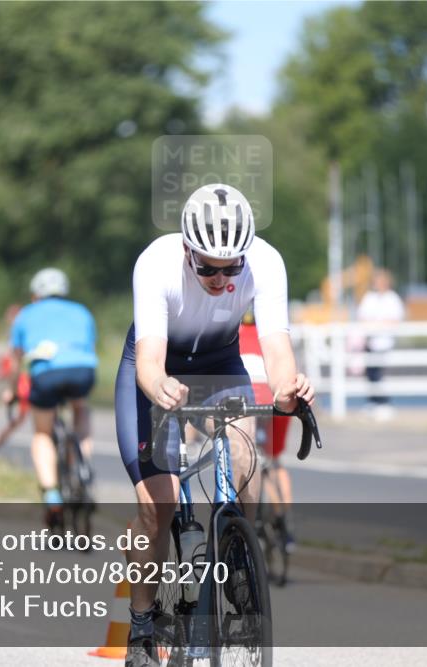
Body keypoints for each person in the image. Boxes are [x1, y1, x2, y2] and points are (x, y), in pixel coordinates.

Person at [116, 183, 314, 667]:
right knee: (156, 507)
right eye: (206, 266)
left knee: (247, 456)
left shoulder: (266, 262)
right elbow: (149, 361)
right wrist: (159, 386)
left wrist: (289, 389)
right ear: (187, 250)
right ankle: (142, 621)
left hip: (221, 363)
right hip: (156, 364)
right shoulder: (156, 262)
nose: (220, 278)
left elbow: (276, 348)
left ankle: (237, 555)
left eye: (231, 268)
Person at [3, 268, 98, 525]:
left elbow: (15, 360)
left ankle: (52, 494)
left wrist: (11, 391)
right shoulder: (81, 311)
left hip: (46, 374)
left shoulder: (25, 314)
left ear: (36, 295)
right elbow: (88, 347)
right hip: (82, 370)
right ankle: (83, 466)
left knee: (42, 433)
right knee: (80, 410)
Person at [238, 307, 295, 550]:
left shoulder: (232, 335)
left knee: (243, 459)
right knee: (275, 462)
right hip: (276, 399)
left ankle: (243, 526)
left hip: (246, 402)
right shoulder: (273, 337)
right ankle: (284, 526)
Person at [356, 269, 405, 420]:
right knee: (371, 373)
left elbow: (395, 319)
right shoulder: (369, 298)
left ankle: (383, 403)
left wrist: (376, 324)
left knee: (379, 374)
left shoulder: (392, 298)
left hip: (385, 342)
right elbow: (362, 317)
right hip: (370, 341)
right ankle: (374, 402)